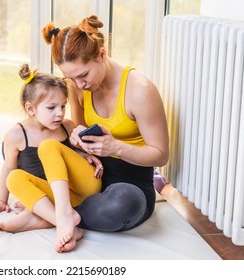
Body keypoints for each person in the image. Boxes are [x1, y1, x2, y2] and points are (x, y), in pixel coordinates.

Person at [41, 15, 169, 232]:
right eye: (70, 78)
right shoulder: (76, 86)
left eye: (83, 75)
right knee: (38, 148)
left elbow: (161, 154)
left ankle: (47, 214)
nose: (78, 84)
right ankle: (61, 213)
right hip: (90, 174)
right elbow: (79, 137)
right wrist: (76, 138)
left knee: (120, 206)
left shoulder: (140, 90)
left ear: (101, 55)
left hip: (130, 181)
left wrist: (115, 147)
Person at [0, 64, 102, 252]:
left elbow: (74, 154)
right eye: (51, 107)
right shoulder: (16, 136)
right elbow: (8, 168)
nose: (60, 113)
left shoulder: (67, 126)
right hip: (58, 196)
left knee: (48, 147)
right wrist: (1, 200)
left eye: (63, 106)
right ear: (31, 109)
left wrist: (85, 154)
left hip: (84, 187)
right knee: (13, 178)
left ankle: (53, 216)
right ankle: (59, 221)